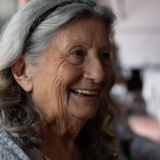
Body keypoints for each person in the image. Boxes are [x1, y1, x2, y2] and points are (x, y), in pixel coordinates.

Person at [0, 0, 119, 159]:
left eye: (104, 55)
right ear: (22, 71)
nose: (99, 74)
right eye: (77, 54)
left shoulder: (101, 138)